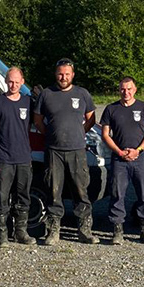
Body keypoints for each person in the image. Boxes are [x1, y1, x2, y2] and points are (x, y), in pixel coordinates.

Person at [32, 58, 95, 244]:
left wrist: (78, 132)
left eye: (67, 74)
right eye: (60, 73)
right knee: (53, 190)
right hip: (54, 151)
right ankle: (53, 231)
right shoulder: (46, 94)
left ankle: (84, 230)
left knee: (81, 190)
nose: (63, 77)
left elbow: (91, 119)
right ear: (56, 74)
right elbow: (38, 120)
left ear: (73, 75)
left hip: (77, 150)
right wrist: (51, 134)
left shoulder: (82, 94)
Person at [101, 76, 144, 244]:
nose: (126, 92)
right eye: (123, 89)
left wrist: (137, 150)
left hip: (139, 158)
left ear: (135, 89)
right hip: (119, 159)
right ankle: (117, 230)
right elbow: (105, 134)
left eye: (129, 89)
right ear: (119, 90)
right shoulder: (111, 109)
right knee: (117, 194)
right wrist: (119, 151)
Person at [0, 66, 34, 247]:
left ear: (22, 82)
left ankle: (21, 232)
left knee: (23, 197)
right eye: (10, 81)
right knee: (2, 199)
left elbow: (30, 126)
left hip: (23, 158)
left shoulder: (28, 102)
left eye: (16, 81)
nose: (13, 85)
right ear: (5, 82)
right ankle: (2, 235)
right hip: (3, 159)